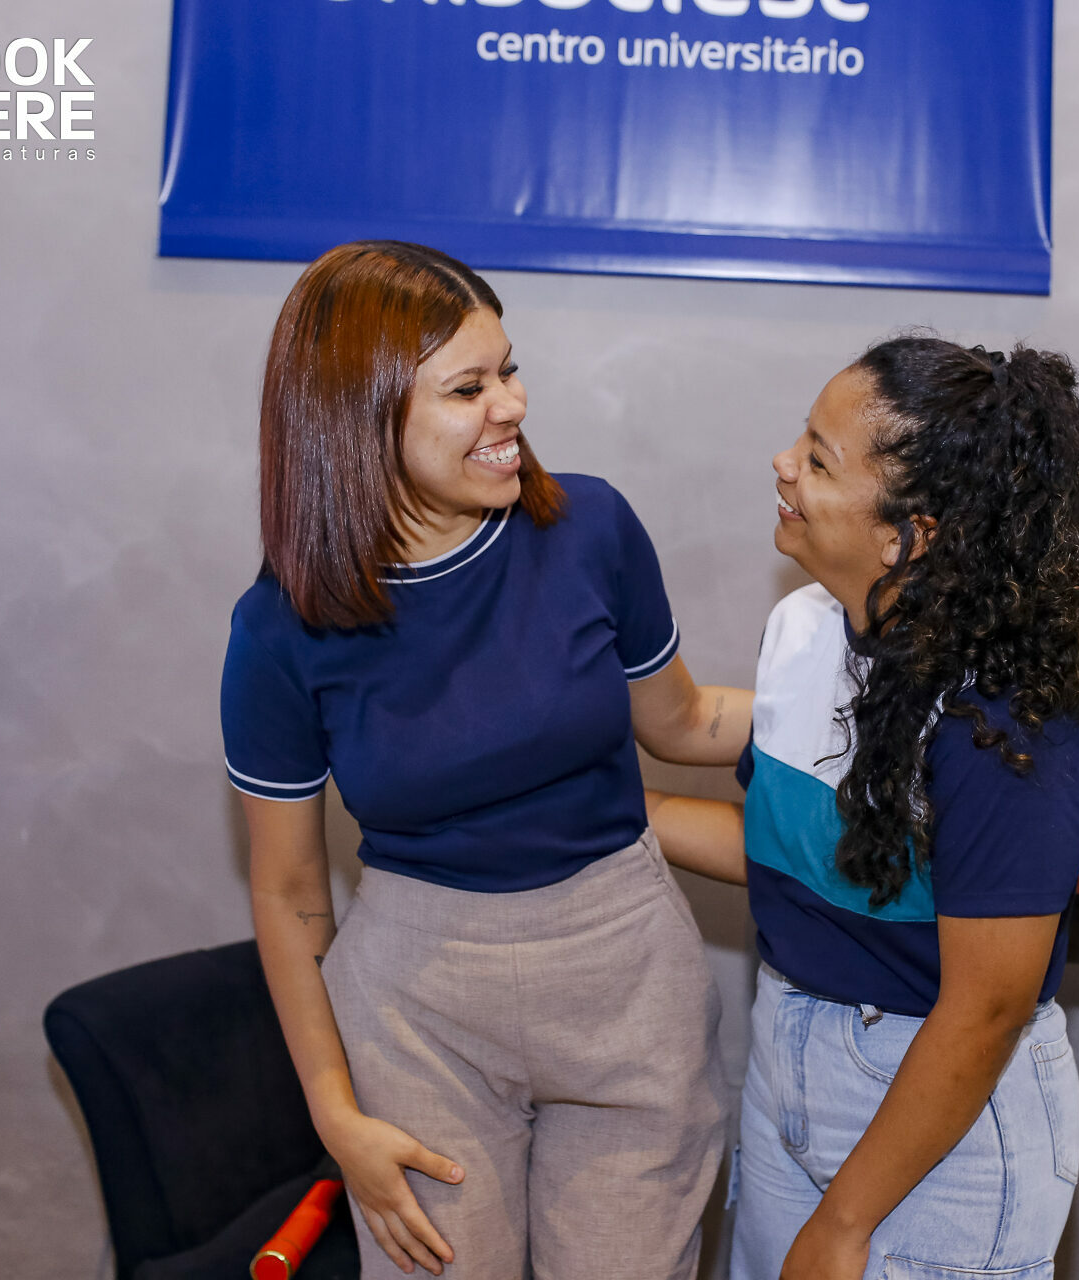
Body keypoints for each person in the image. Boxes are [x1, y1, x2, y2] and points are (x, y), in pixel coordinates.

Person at [221, 241, 746, 1279]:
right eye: (469, 389)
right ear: (359, 417)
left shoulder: (591, 527)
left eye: (508, 370)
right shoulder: (280, 627)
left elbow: (686, 723)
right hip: (418, 1013)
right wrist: (334, 1111)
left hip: (625, 977)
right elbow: (286, 892)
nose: (512, 405)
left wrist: (870, 719)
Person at [650, 336, 1079, 1280]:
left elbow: (987, 1008)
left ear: (908, 537)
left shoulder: (1013, 727)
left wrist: (845, 1224)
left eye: (817, 459)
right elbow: (784, 854)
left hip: (939, 1114)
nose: (780, 463)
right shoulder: (806, 627)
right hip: (786, 1058)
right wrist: (600, 807)